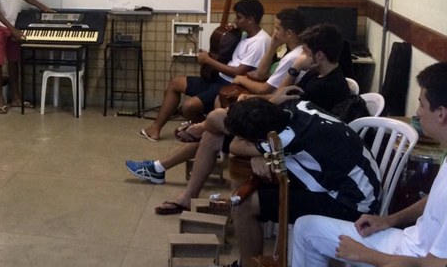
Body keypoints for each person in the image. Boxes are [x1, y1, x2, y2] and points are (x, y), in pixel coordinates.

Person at [144, 22, 355, 214]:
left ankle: (197, 128)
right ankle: (188, 197)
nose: (302, 56)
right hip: (283, 132)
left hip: (294, 149)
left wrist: (260, 149)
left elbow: (284, 116)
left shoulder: (325, 87)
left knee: (217, 117)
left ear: (318, 56)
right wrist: (295, 69)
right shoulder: (315, 74)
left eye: (306, 53)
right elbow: (282, 97)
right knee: (211, 136)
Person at [126, 8, 306, 185]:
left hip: (265, 116)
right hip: (257, 101)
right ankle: (165, 161)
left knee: (209, 126)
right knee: (210, 128)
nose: (273, 33)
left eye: (277, 29)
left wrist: (242, 81)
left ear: (289, 33)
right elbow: (262, 75)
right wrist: (274, 46)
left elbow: (267, 89)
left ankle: (186, 140)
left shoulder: (292, 58)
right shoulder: (290, 53)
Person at [291, 62, 447, 267]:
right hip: (409, 245)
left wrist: (364, 254)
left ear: (441, 113)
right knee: (306, 228)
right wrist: (388, 220)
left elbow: (434, 265)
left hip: (413, 261)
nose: (417, 113)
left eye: (421, 104)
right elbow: (434, 203)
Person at [225, 97, 380, 266]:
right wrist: (260, 152)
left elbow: (234, 145)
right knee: (260, 184)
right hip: (358, 182)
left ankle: (246, 265)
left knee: (244, 205)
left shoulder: (286, 139)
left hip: (350, 202)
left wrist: (259, 152)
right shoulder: (298, 105)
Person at [138, 0, 270, 141]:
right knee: (176, 82)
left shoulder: (260, 42)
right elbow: (228, 56)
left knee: (188, 107)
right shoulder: (245, 35)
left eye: (239, 17)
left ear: (250, 19)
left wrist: (208, 60)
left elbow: (238, 72)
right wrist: (214, 51)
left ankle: (205, 131)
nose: (235, 20)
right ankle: (155, 129)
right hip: (219, 78)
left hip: (231, 86)